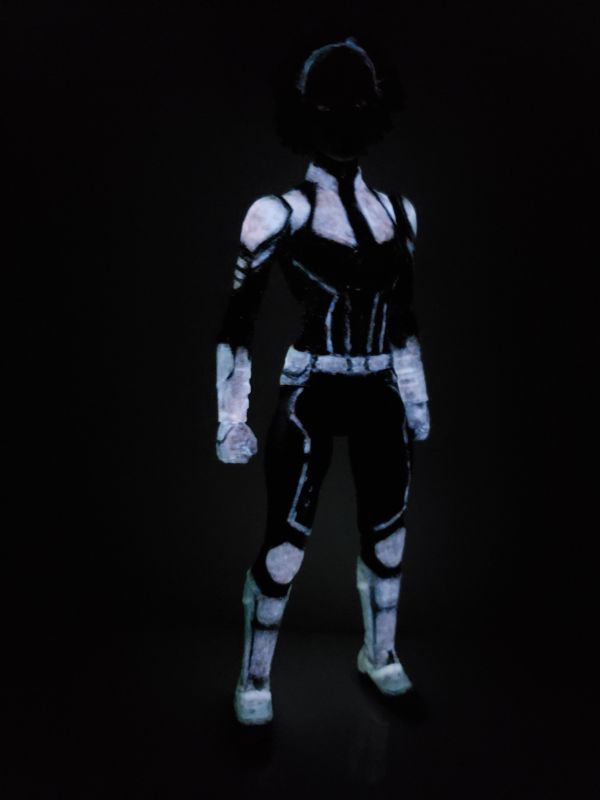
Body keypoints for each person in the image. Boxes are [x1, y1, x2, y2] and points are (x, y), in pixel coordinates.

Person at [215, 36, 430, 726]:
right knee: (285, 543)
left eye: (357, 106)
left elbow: (404, 319)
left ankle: (381, 654)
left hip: (379, 389)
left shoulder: (399, 213)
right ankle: (254, 680)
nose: (345, 120)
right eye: (333, 107)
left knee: (389, 537)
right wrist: (230, 417)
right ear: (306, 114)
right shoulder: (277, 213)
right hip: (313, 387)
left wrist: (416, 397)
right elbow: (237, 323)